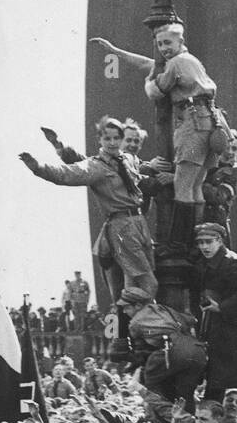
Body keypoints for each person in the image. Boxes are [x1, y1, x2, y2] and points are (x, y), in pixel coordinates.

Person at [91, 24, 230, 250]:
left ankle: (178, 244)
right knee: (195, 187)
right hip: (210, 124)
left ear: (179, 42)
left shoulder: (176, 63)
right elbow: (150, 64)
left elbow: (156, 89)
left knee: (183, 186)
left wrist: (148, 82)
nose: (164, 48)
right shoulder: (189, 61)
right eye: (160, 44)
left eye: (168, 43)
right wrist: (116, 51)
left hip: (192, 124)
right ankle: (195, 240)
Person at [19, 117, 158, 312]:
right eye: (107, 138)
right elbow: (68, 173)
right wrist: (39, 168)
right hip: (122, 226)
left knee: (141, 283)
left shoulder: (126, 160)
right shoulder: (96, 166)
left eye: (116, 138)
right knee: (148, 285)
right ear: (99, 139)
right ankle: (126, 313)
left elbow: (137, 180)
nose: (112, 143)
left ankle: (129, 319)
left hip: (139, 223)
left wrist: (161, 177)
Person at [192, 224, 237, 403]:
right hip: (216, 323)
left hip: (235, 325)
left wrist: (221, 307)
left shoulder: (233, 262)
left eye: (208, 242)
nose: (204, 247)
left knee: (228, 375)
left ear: (219, 241)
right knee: (219, 374)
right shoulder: (205, 262)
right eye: (200, 242)